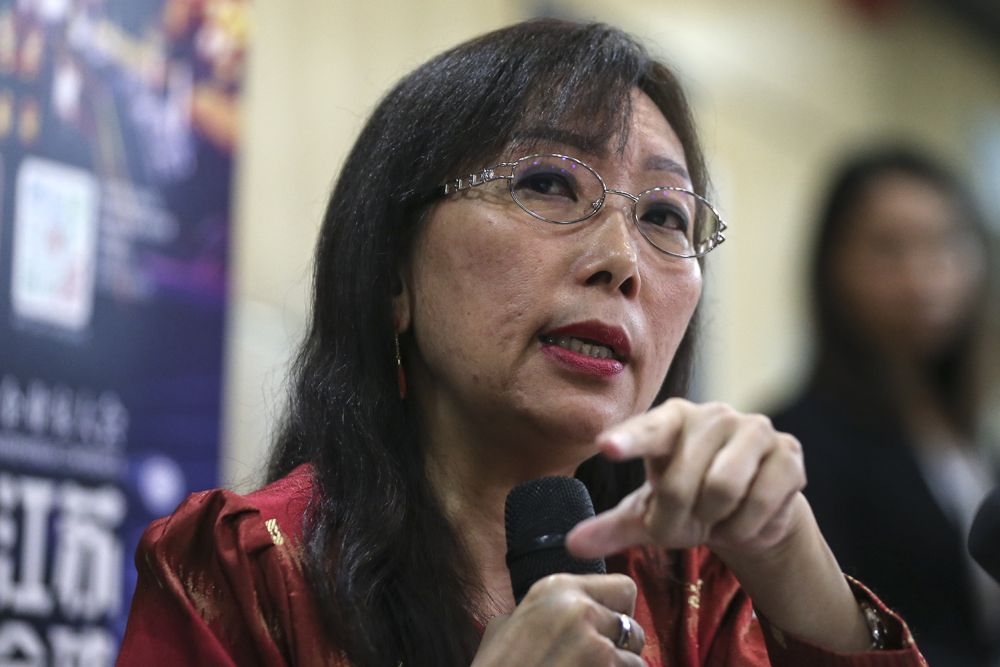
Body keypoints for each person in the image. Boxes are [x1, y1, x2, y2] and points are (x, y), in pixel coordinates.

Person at [116, 20, 928, 666]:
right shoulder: (241, 573)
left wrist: (789, 548)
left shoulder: (701, 599)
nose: (621, 261)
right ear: (393, 274)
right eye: (547, 182)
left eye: (664, 216)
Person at [770, 147, 997, 666]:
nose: (923, 277)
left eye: (945, 244)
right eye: (888, 249)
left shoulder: (969, 434)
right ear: (833, 266)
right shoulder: (798, 438)